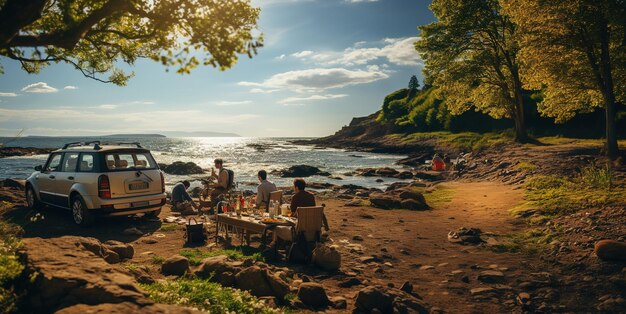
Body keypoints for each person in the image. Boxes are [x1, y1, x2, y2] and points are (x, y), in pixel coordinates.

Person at [268, 178, 329, 250]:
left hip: (299, 233)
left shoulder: (295, 197)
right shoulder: (311, 196)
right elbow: (312, 208)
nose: (294, 188)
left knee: (276, 228)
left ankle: (274, 246)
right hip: (313, 230)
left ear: (296, 187)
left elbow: (292, 212)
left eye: (294, 186)